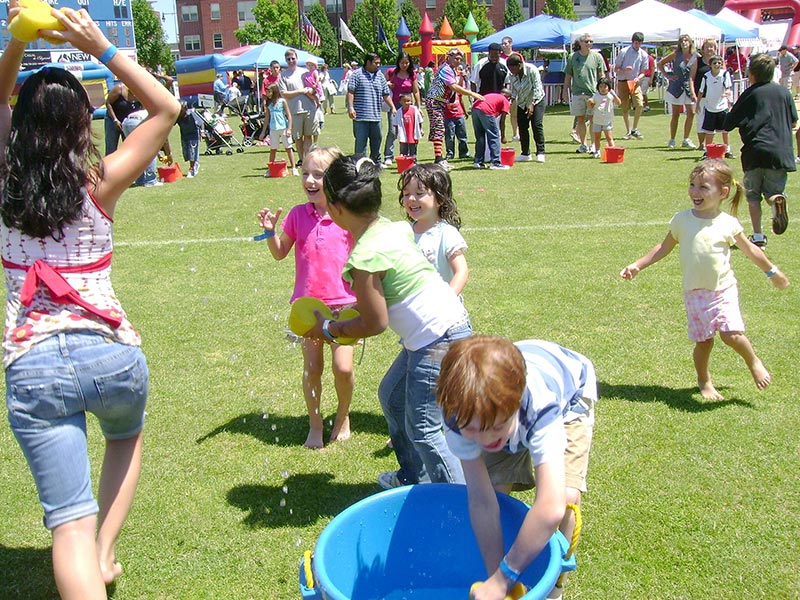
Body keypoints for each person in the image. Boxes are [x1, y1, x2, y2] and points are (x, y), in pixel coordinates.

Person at [0, 4, 180, 598]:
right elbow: (166, 108)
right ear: (84, 126)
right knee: (125, 437)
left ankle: (90, 550)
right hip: (112, 355)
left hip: (33, 367)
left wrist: (17, 45)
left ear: (20, 128)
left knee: (66, 528)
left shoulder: (5, 182)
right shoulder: (100, 182)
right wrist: (102, 47)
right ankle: (104, 554)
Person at [306, 155, 472, 488]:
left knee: (424, 429)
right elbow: (393, 288)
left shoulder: (365, 257)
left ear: (336, 208)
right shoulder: (394, 228)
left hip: (437, 339)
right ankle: (414, 477)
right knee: (393, 397)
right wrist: (350, 310)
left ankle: (462, 506)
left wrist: (328, 329)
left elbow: (375, 322)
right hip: (442, 330)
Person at [437, 336, 597, 600]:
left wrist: (504, 578)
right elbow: (481, 500)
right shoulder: (458, 416)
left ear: (517, 403)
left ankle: (555, 589)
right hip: (505, 405)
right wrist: (496, 581)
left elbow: (550, 508)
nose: (487, 440)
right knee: (496, 491)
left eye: (497, 428)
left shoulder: (540, 408)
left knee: (566, 496)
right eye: (474, 431)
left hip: (570, 397)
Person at [620, 160, 790, 400]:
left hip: (724, 289)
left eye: (702, 187)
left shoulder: (728, 224)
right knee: (704, 343)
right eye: (692, 185)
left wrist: (772, 272)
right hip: (695, 292)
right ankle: (704, 380)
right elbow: (663, 247)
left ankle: (753, 362)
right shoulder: (681, 220)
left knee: (732, 335)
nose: (694, 192)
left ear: (723, 192)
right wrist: (638, 264)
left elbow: (751, 250)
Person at [257, 147, 355, 448]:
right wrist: (270, 233)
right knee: (313, 368)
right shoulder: (299, 215)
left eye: (318, 175)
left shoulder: (347, 214)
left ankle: (342, 416)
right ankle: (315, 423)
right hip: (308, 309)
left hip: (344, 307)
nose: (310, 181)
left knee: (343, 368)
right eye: (305, 174)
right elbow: (279, 253)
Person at [724, 52, 796, 247]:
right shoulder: (784, 93)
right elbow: (794, 120)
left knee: (753, 196)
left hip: (754, 150)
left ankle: (758, 236)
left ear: (752, 74)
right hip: (780, 151)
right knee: (773, 191)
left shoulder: (750, 93)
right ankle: (776, 201)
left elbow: (729, 122)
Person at [397, 163, 468, 295]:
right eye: (406, 194)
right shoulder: (405, 232)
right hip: (415, 310)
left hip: (443, 312)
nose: (411, 199)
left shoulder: (446, 233)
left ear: (440, 199)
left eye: (419, 193)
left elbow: (461, 271)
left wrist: (447, 300)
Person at [427, 49, 484, 170]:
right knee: (439, 129)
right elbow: (453, 86)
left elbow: (455, 86)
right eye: (456, 58)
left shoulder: (452, 69)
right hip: (435, 100)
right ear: (448, 58)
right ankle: (438, 159)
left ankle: (440, 158)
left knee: (440, 129)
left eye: (460, 59)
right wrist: (472, 94)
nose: (458, 61)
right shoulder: (446, 69)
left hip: (441, 101)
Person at [346, 52, 396, 164]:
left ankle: (376, 163)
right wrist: (350, 107)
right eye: (376, 63)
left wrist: (392, 107)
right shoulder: (357, 74)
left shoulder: (380, 76)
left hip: (376, 117)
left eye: (379, 63)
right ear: (368, 62)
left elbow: (386, 94)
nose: (378, 65)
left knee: (376, 141)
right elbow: (351, 92)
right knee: (361, 144)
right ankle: (360, 164)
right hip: (360, 117)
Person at [562, 33, 606, 154]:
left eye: (591, 41)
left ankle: (593, 145)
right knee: (580, 120)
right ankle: (583, 144)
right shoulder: (573, 57)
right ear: (580, 43)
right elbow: (568, 75)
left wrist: (603, 91)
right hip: (577, 93)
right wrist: (565, 91)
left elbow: (602, 75)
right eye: (586, 41)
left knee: (593, 119)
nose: (589, 44)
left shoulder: (597, 57)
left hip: (592, 93)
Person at [279, 49, 319, 161]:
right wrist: (301, 91)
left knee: (308, 136)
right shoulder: (283, 75)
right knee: (297, 138)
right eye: (288, 59)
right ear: (285, 60)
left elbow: (314, 84)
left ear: (297, 58)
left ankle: (308, 160)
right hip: (294, 110)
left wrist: (313, 90)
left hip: (309, 108)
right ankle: (301, 159)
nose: (291, 61)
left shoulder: (305, 72)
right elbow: (284, 93)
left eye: (293, 58)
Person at [659, 34, 698, 149]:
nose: (684, 43)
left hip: (689, 87)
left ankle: (686, 138)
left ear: (690, 42)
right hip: (676, 87)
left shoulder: (695, 56)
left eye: (686, 41)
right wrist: (667, 76)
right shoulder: (676, 54)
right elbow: (660, 63)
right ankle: (672, 139)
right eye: (682, 41)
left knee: (691, 113)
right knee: (675, 114)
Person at [506, 53, 546, 163]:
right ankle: (525, 153)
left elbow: (537, 87)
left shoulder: (531, 69)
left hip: (537, 101)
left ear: (519, 65)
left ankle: (541, 152)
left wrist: (532, 104)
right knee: (522, 127)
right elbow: (514, 90)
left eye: (513, 68)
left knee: (536, 125)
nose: (512, 71)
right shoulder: (512, 74)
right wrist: (512, 101)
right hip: (522, 102)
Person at [383, 52, 421, 166]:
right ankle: (388, 156)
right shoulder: (391, 72)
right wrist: (387, 84)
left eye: (407, 62)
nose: (404, 65)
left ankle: (411, 155)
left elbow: (416, 91)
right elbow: (382, 85)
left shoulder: (412, 74)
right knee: (393, 131)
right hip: (394, 106)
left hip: (409, 106)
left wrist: (418, 107)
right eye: (402, 62)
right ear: (398, 62)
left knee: (411, 131)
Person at [696, 55, 734, 159]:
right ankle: (708, 151)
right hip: (710, 107)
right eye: (715, 63)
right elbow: (701, 91)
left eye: (719, 63)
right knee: (709, 131)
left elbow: (728, 88)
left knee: (725, 130)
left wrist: (726, 94)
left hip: (722, 107)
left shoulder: (725, 74)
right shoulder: (706, 76)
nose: (717, 65)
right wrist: (697, 104)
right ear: (710, 65)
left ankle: (727, 150)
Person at [471, 43, 510, 143]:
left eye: (496, 56)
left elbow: (507, 83)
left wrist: (506, 98)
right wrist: (474, 98)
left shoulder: (504, 64)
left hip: (498, 100)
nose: (494, 58)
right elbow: (473, 82)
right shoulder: (481, 64)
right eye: (492, 55)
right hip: (484, 100)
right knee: (484, 127)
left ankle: (497, 146)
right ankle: (484, 152)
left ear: (500, 54)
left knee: (498, 124)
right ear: (488, 53)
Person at [613, 31, 648, 140]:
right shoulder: (624, 52)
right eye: (636, 42)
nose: (637, 45)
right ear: (632, 42)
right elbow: (616, 68)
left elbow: (644, 71)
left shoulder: (643, 54)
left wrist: (639, 77)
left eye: (639, 43)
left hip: (634, 82)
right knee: (625, 107)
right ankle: (628, 131)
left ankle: (634, 128)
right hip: (623, 81)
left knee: (639, 104)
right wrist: (624, 71)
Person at [263, 83, 298, 177]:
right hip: (273, 129)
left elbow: (289, 116)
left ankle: (294, 168)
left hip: (283, 128)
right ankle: (270, 169)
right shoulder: (268, 103)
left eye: (269, 91)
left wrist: (289, 129)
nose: (267, 93)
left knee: (288, 148)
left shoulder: (282, 101)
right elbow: (266, 118)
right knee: (273, 149)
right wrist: (263, 131)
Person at [692, 39, 720, 151]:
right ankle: (701, 144)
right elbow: (691, 78)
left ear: (715, 49)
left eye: (712, 46)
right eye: (707, 46)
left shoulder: (718, 62)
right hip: (701, 96)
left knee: (712, 121)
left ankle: (710, 144)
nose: (709, 49)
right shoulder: (697, 61)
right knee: (700, 120)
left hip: (714, 97)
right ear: (703, 49)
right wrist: (693, 93)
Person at [471, 92, 511, 170]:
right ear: (508, 97)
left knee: (480, 137)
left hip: (475, 109)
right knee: (494, 136)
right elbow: (502, 121)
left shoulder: (493, 95)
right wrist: (503, 136)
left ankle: (478, 162)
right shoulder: (505, 100)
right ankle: (496, 162)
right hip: (486, 110)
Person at [587, 77, 620, 158]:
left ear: (608, 87)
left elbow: (619, 102)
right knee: (597, 137)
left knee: (609, 137)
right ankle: (597, 151)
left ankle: (613, 151)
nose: (603, 89)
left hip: (607, 120)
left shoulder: (610, 96)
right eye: (601, 87)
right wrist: (589, 102)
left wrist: (614, 94)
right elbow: (590, 106)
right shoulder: (596, 96)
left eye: (605, 87)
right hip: (597, 120)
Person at [444, 63, 471, 161]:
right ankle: (450, 153)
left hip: (459, 115)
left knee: (462, 136)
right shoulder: (444, 92)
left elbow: (461, 99)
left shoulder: (457, 91)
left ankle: (464, 153)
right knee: (449, 137)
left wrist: (465, 112)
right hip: (448, 116)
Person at [103, 82, 140, 155]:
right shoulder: (119, 89)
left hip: (127, 123)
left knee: (129, 148)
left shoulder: (141, 93)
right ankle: (109, 166)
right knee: (111, 149)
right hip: (112, 120)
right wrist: (115, 120)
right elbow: (108, 103)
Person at [392, 93, 423, 159]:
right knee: (403, 149)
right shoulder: (399, 112)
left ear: (411, 101)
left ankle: (413, 161)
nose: (406, 103)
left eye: (408, 101)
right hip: (403, 133)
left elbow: (420, 121)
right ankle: (403, 162)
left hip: (412, 134)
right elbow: (396, 124)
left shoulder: (415, 110)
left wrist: (421, 130)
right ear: (400, 102)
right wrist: (396, 133)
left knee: (413, 149)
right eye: (404, 101)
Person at [500, 36, 520, 141]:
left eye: (506, 43)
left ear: (511, 44)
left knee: (516, 112)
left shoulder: (517, 56)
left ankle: (516, 133)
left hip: (517, 88)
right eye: (502, 44)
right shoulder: (500, 58)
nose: (504, 45)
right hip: (504, 89)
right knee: (504, 113)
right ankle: (503, 134)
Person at [258, 60, 282, 142]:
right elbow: (264, 95)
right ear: (270, 68)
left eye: (277, 67)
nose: (275, 69)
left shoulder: (282, 78)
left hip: (282, 103)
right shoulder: (266, 80)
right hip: (271, 104)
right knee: (270, 120)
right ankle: (269, 136)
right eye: (274, 67)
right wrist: (265, 106)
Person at [177, 100, 202, 178]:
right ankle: (195, 164)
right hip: (184, 135)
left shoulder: (191, 114)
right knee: (186, 153)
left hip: (193, 135)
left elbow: (201, 122)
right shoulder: (178, 117)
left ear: (185, 108)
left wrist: (203, 132)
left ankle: (192, 168)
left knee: (192, 152)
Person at [641, 47, 655, 112]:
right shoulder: (639, 58)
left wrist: (651, 79)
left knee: (643, 92)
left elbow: (653, 69)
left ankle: (646, 106)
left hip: (647, 77)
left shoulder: (650, 58)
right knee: (638, 92)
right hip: (639, 77)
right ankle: (639, 106)